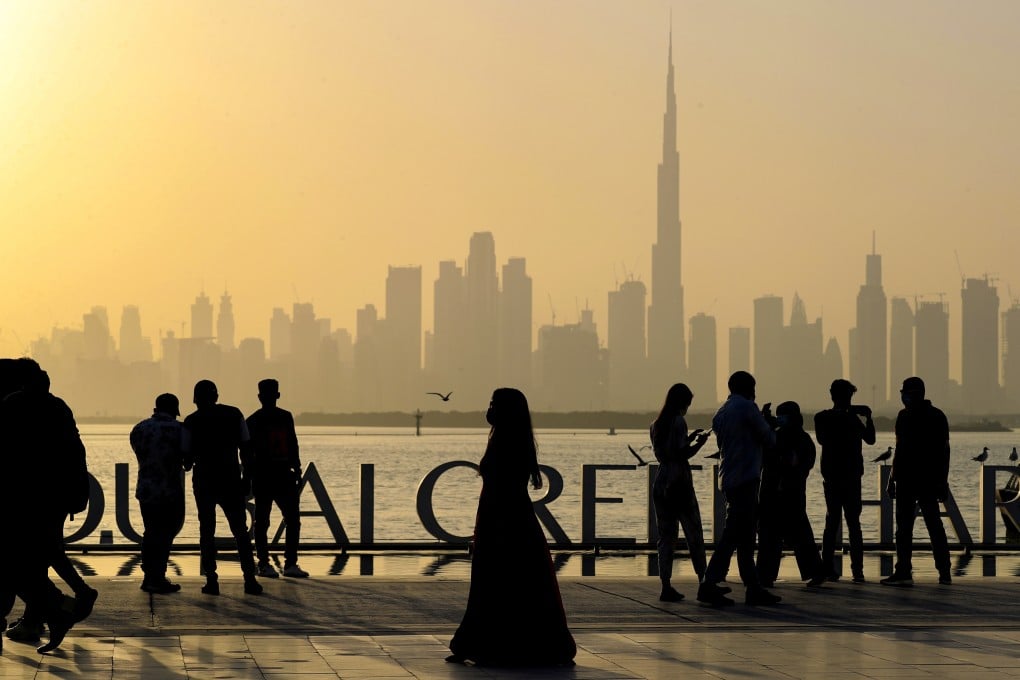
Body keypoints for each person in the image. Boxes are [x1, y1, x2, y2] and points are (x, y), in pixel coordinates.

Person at [447, 388, 576, 667]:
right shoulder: (508, 439)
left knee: (498, 583)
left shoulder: (507, 443)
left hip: (504, 522)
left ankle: (490, 644)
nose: (489, 409)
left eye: (493, 404)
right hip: (507, 520)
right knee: (507, 584)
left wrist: (490, 530)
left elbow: (502, 490)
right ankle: (488, 642)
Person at [0, 359, 91, 653]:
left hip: (22, 498)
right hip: (51, 496)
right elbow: (75, 451)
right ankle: (57, 607)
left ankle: (58, 607)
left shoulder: (12, 405)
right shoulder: (59, 408)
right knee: (36, 557)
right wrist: (79, 492)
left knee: (19, 561)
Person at [696, 371, 780, 607]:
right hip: (746, 478)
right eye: (753, 387)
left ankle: (753, 587)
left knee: (743, 536)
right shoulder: (747, 408)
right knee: (734, 534)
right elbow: (768, 440)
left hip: (729, 478)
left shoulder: (721, 412)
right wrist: (769, 424)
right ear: (748, 388)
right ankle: (709, 583)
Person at [182, 380, 262, 596]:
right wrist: (248, 477)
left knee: (206, 530)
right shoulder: (234, 414)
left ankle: (212, 580)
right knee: (240, 531)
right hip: (231, 479)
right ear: (216, 396)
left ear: (195, 399)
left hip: (204, 480)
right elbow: (246, 449)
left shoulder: (191, 421)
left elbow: (187, 462)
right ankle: (249, 579)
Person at [881, 377, 952, 587]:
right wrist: (891, 478)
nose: (903, 397)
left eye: (906, 393)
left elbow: (943, 452)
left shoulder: (935, 416)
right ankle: (904, 570)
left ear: (917, 394)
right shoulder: (904, 416)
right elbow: (899, 449)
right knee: (906, 528)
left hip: (926, 480)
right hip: (906, 479)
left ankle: (943, 570)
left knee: (931, 525)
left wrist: (942, 482)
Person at [649, 383, 711, 602]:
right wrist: (701, 443)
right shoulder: (678, 421)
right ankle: (704, 582)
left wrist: (689, 438)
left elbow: (667, 451)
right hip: (679, 482)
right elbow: (682, 453)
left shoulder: (656, 424)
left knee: (666, 537)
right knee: (694, 533)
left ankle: (666, 585)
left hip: (661, 481)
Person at [756, 401, 826, 588]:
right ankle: (767, 575)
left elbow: (798, 464)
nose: (780, 419)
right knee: (785, 535)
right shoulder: (785, 436)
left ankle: (766, 575)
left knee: (789, 535)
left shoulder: (797, 439)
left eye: (783, 415)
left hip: (787, 493)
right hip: (780, 493)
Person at [813, 379, 875, 582]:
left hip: (834, 476)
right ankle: (857, 571)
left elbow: (822, 439)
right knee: (852, 524)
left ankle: (828, 568)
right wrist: (865, 417)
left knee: (832, 522)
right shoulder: (851, 419)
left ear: (831, 395)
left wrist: (864, 417)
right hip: (849, 477)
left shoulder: (822, 417)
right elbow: (871, 438)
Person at [247, 379, 308, 579]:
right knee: (291, 520)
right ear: (278, 395)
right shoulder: (285, 417)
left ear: (259, 397)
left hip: (264, 476)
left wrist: (247, 476)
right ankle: (289, 563)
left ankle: (264, 563)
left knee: (263, 521)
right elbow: (293, 444)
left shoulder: (252, 420)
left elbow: (247, 453)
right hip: (282, 474)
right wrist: (297, 469)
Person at [129, 393, 186, 594]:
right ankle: (158, 576)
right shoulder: (179, 429)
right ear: (174, 409)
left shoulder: (139, 429)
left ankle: (148, 576)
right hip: (170, 490)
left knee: (150, 532)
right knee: (165, 534)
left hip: (146, 488)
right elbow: (187, 460)